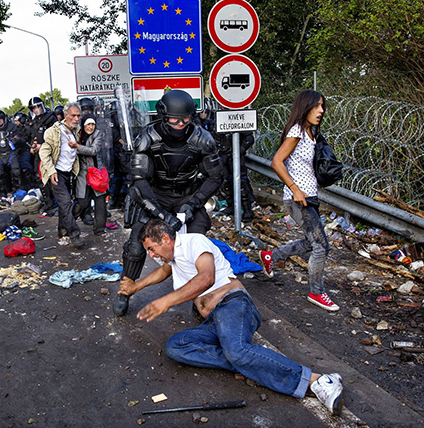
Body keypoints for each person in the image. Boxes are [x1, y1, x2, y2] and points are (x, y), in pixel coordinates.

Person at [119, 218, 345, 416]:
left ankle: (318, 380)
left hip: (233, 304)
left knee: (236, 350)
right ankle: (249, 363)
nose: (151, 255)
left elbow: (207, 277)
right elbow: (163, 271)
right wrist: (135, 287)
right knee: (176, 346)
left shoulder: (193, 242)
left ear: (166, 238)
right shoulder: (173, 259)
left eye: (151, 249)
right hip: (213, 320)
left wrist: (166, 300)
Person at [114, 89, 223, 316]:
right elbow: (138, 181)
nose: (181, 123)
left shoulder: (203, 139)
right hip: (155, 195)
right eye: (175, 118)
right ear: (164, 116)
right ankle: (125, 290)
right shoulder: (147, 138)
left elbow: (215, 177)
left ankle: (199, 298)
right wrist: (161, 214)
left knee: (196, 243)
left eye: (185, 118)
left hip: (188, 196)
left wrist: (194, 204)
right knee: (136, 244)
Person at [259, 90, 338, 312]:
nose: (321, 111)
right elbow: (276, 162)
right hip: (298, 199)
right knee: (321, 246)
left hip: (310, 196)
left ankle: (270, 256)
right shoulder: (296, 132)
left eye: (323, 106)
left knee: (310, 243)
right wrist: (295, 189)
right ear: (305, 107)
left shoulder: (311, 132)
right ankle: (317, 291)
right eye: (316, 106)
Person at [38, 102, 85, 248]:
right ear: (66, 116)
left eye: (78, 116)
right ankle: (74, 234)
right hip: (55, 173)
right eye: (73, 115)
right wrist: (51, 171)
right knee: (65, 203)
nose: (76, 118)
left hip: (68, 173)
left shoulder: (75, 130)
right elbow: (44, 152)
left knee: (65, 205)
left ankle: (62, 231)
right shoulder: (54, 131)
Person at [69, 113, 107, 236]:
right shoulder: (77, 134)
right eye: (88, 124)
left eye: (92, 124)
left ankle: (99, 229)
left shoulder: (98, 134)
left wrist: (77, 147)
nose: (90, 127)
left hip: (96, 173)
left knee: (100, 202)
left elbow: (93, 151)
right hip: (82, 173)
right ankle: (68, 223)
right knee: (82, 201)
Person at [28, 96, 58, 212]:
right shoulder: (35, 121)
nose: (36, 109)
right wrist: (33, 146)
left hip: (50, 154)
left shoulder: (51, 119)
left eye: (38, 106)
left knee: (53, 178)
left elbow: (56, 138)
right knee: (39, 178)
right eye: (33, 108)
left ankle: (57, 203)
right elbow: (33, 137)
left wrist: (43, 146)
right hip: (38, 155)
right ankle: (48, 202)